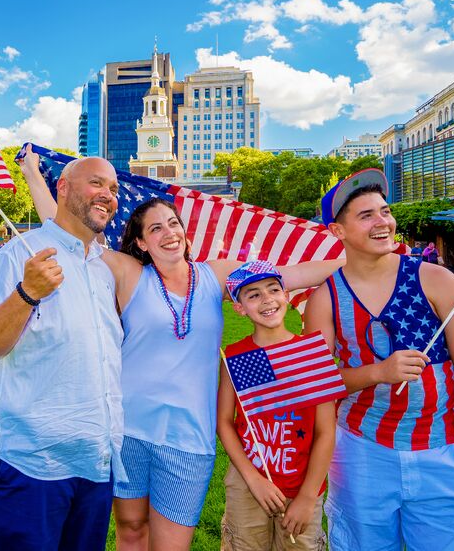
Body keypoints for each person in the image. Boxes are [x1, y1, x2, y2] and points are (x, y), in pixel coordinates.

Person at [19, 145, 342, 549]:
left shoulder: (216, 275)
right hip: (129, 429)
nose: (169, 233)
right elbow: (64, 225)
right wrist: (33, 173)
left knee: (172, 544)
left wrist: (361, 258)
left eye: (173, 224)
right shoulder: (127, 272)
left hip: (190, 437)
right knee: (132, 532)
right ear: (140, 241)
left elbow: (290, 275)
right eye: (155, 229)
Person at [303, 168, 454, 551]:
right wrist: (378, 372)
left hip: (443, 448)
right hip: (361, 452)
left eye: (385, 211)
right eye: (366, 215)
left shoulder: (435, 279)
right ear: (337, 232)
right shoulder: (326, 298)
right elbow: (318, 382)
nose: (382, 222)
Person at [0, 156, 124, 549]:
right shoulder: (20, 255)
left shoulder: (105, 269)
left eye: (114, 189)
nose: (108, 195)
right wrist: (27, 292)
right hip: (30, 464)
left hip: (96, 460)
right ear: (63, 189)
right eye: (97, 184)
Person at [218, 262, 335, 551]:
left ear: (286, 295)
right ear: (240, 308)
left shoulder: (312, 354)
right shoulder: (238, 356)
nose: (267, 299)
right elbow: (224, 422)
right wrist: (253, 478)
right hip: (249, 484)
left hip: (302, 482)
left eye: (273, 289)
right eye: (253, 295)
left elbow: (326, 432)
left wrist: (308, 496)